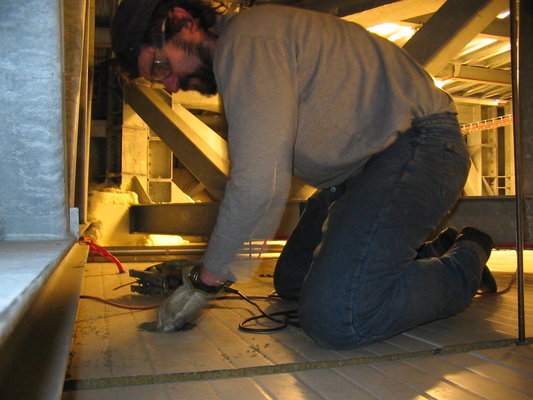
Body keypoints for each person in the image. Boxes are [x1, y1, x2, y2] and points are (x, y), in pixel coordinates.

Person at [111, 0, 497, 349]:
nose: (172, 84)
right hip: (357, 175)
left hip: (420, 149)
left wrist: (204, 283)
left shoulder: (247, 40)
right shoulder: (248, 42)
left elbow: (261, 182)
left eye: (161, 67)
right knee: (294, 279)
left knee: (337, 316)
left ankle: (468, 255)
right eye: (158, 80)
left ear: (181, 22)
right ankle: (417, 255)